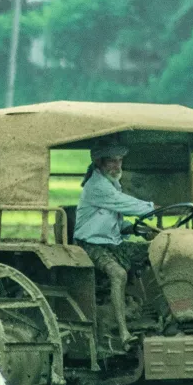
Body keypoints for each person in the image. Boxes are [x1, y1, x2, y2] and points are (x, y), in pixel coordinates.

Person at [73, 138, 157, 350]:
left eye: (120, 161)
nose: (117, 166)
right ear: (100, 162)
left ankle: (155, 313)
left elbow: (116, 222)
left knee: (158, 251)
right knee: (118, 274)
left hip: (113, 244)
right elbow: (126, 205)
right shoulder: (97, 186)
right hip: (90, 245)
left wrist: (139, 229)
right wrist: (155, 208)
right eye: (112, 161)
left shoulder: (112, 184)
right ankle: (123, 332)